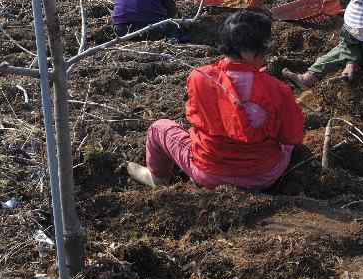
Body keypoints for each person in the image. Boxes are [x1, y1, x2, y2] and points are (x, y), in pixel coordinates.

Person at [127, 10, 304, 190]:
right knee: (286, 145)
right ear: (248, 52)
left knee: (159, 128)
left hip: (208, 174)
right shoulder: (277, 89)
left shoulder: (199, 77)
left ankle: (158, 179)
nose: (266, 55)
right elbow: (293, 137)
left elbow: (194, 117)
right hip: (263, 177)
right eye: (263, 49)